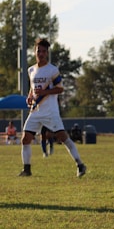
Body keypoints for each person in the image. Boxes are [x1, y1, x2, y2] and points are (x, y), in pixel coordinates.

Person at [18, 38, 86, 177]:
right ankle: (27, 169)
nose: (41, 54)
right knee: (25, 138)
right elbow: (33, 88)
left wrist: (45, 92)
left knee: (62, 137)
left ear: (47, 53)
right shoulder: (31, 70)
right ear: (35, 52)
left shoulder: (52, 70)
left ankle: (80, 164)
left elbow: (60, 89)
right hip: (36, 111)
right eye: (39, 51)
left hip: (50, 111)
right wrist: (29, 96)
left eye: (44, 51)